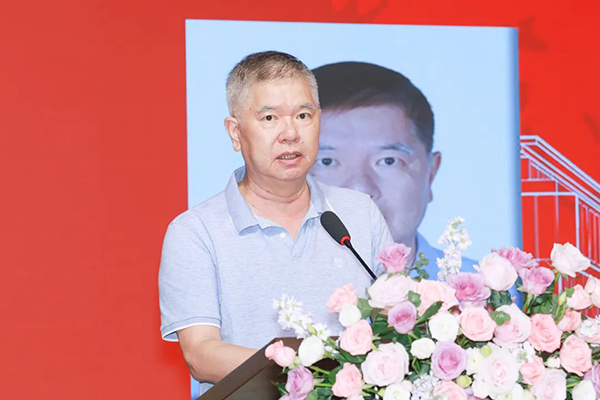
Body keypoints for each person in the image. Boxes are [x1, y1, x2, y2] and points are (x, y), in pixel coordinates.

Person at [158, 52, 393, 396]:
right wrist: (314, 370)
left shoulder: (359, 213)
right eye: (269, 117)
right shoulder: (195, 232)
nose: (290, 133)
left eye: (303, 116)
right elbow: (201, 354)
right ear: (235, 132)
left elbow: (398, 325)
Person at [309, 62, 476, 277]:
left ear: (431, 174)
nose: (361, 189)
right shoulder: (264, 291)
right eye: (326, 162)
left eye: (389, 161)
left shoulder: (498, 293)